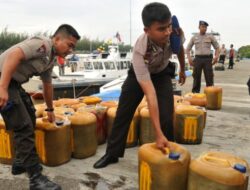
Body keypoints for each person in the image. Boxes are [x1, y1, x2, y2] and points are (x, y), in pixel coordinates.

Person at [93, 2, 186, 169]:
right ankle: (112, 154)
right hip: (139, 75)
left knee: (166, 114)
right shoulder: (140, 49)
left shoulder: (175, 33)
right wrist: (156, 133)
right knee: (123, 112)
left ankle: (169, 153)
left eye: (168, 27)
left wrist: (182, 70)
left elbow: (179, 49)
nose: (167, 32)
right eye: (161, 29)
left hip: (162, 73)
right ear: (147, 30)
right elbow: (149, 94)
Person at [0, 24, 80, 190]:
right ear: (57, 39)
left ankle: (21, 162)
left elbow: (47, 85)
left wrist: (50, 110)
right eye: (69, 45)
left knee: (30, 115)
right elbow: (14, 55)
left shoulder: (50, 59)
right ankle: (36, 179)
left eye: (73, 47)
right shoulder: (42, 45)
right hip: (3, 79)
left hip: (13, 83)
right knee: (23, 125)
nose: (70, 50)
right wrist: (2, 87)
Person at [186, 20, 219, 93]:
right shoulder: (194, 37)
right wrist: (189, 58)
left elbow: (217, 47)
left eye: (205, 27)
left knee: (209, 78)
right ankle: (195, 93)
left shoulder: (210, 37)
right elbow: (188, 49)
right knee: (196, 77)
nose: (204, 28)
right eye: (203, 27)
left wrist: (216, 57)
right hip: (198, 59)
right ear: (199, 27)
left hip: (207, 59)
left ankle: (210, 94)